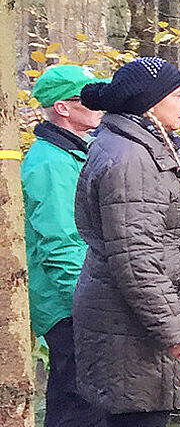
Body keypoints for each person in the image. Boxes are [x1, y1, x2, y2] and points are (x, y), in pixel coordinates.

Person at [70, 57, 180, 425]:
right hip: (134, 334)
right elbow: (136, 260)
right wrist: (175, 332)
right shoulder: (131, 160)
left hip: (142, 328)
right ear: (150, 103)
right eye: (178, 95)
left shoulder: (145, 147)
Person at [22, 65, 106, 425]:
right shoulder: (50, 163)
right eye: (88, 98)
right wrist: (86, 303)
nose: (99, 105)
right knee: (78, 403)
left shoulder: (69, 154)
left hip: (77, 297)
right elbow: (60, 242)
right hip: (67, 304)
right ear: (63, 108)